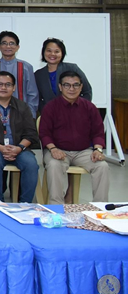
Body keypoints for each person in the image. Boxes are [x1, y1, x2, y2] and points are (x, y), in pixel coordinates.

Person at [40, 71, 108, 204]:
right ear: (60, 87)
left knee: (102, 166)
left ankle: (100, 208)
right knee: (54, 165)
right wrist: (53, 149)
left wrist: (97, 150)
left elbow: (98, 132)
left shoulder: (89, 107)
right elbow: (44, 133)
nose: (72, 89)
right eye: (67, 85)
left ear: (81, 87)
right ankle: (57, 208)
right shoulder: (51, 107)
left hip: (83, 151)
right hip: (58, 150)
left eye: (76, 85)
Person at [0, 72, 40, 203]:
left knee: (31, 164)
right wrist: (1, 148)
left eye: (8, 85)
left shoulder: (22, 106)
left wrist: (19, 148)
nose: (3, 88)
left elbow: (31, 133)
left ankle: (25, 204)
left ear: (14, 87)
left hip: (19, 148)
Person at [34, 38, 93, 113]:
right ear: (43, 52)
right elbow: (38, 99)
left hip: (75, 114)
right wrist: (46, 111)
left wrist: (80, 109)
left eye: (57, 51)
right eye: (49, 50)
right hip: (51, 116)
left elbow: (87, 91)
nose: (52, 54)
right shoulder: (38, 74)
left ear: (62, 53)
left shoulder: (72, 68)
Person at [0, 31, 38, 117]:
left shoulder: (26, 67)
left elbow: (32, 94)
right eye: (4, 43)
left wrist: (30, 115)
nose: (8, 46)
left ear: (17, 47)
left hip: (21, 114)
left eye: (12, 43)